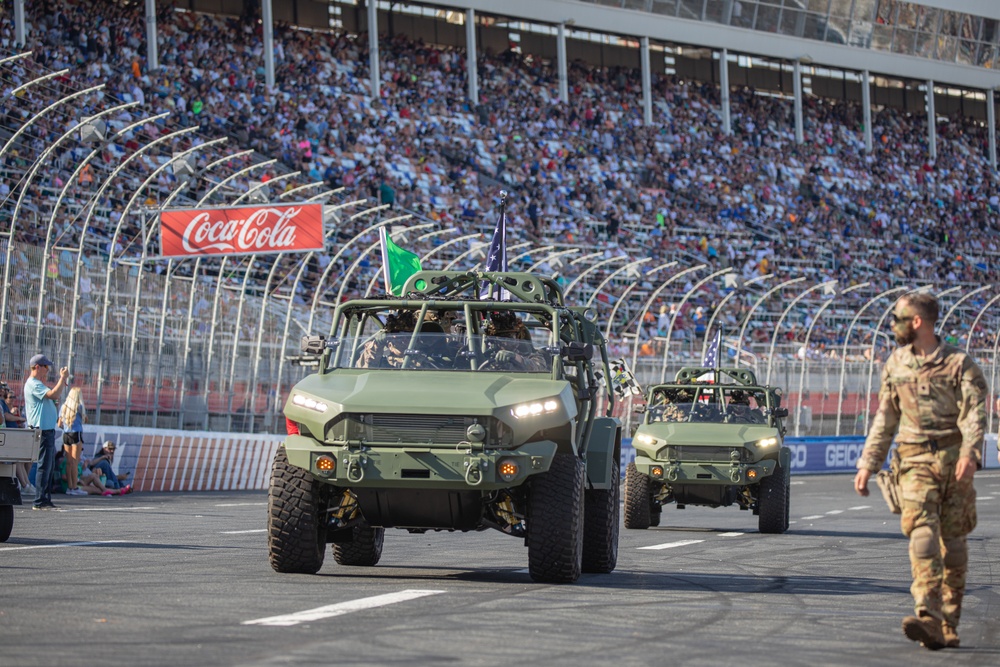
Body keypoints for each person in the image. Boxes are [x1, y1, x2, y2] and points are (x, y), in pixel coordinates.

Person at [853, 292, 986, 651]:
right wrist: (868, 463)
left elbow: (974, 412)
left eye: (899, 317)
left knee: (953, 545)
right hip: (913, 463)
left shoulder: (959, 363)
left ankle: (949, 622)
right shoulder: (896, 364)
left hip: (954, 460)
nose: (893, 324)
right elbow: (885, 419)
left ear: (917, 322)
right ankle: (928, 614)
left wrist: (970, 453)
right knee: (922, 534)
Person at [24, 353, 70, 510]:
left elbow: (52, 397)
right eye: (46, 367)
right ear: (37, 367)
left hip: (47, 429)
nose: (48, 370)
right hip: (41, 429)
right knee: (44, 465)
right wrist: (62, 378)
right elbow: (52, 394)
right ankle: (40, 500)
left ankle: (45, 499)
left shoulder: (37, 384)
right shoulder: (33, 383)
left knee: (48, 466)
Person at [0, 385, 32, 495]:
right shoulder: (2, 404)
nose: (13, 399)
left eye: (14, 397)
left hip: (11, 435)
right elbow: (3, 418)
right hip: (6, 436)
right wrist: (17, 417)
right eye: (10, 397)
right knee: (17, 459)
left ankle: (26, 484)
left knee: (26, 459)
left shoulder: (5, 405)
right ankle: (24, 485)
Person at [57, 386, 88, 496]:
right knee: (75, 461)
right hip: (76, 433)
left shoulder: (64, 406)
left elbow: (59, 424)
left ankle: (69, 487)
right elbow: (85, 419)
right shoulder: (79, 406)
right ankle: (74, 487)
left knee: (69, 462)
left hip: (66, 434)